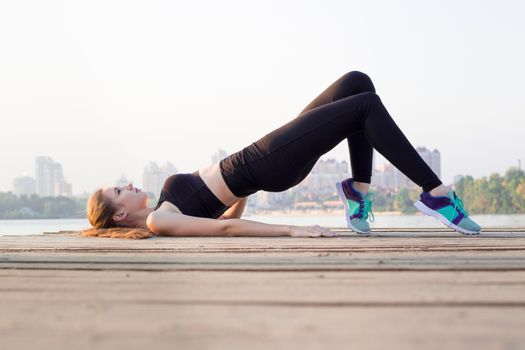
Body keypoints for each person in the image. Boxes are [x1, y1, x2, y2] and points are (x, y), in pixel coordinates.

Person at [84, 71, 481, 239]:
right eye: (120, 190)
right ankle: (435, 192)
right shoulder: (158, 219)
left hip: (259, 160)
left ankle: (359, 190)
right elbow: (227, 231)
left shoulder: (165, 207)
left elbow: (223, 214)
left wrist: (234, 190)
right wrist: (293, 230)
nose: (128, 184)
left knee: (356, 83)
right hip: (265, 162)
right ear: (119, 213)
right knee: (364, 106)